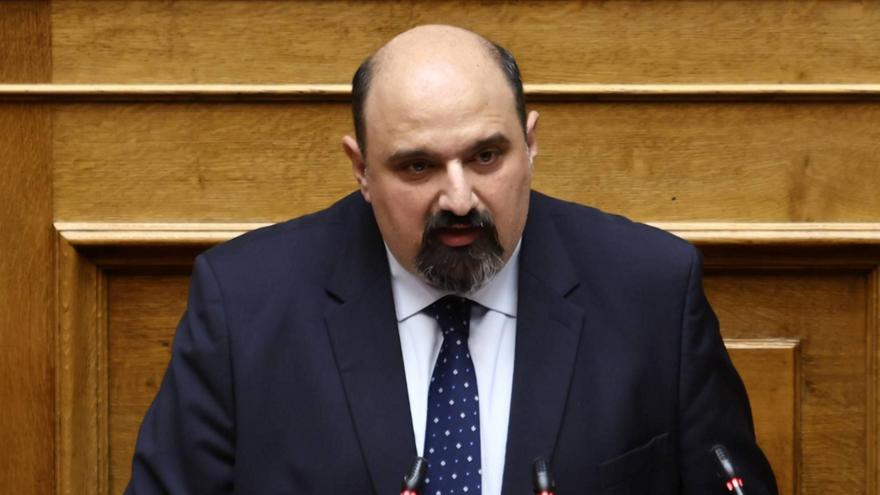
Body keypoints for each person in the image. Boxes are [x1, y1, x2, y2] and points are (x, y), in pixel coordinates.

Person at [125, 25, 777, 494]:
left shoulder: (651, 291)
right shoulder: (244, 304)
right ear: (361, 168)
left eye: (486, 156)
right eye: (418, 166)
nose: (459, 198)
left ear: (530, 144)